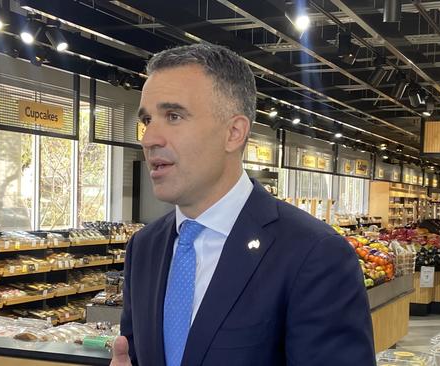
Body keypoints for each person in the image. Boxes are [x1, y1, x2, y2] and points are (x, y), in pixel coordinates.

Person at [111, 43, 375, 366]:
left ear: (234, 133)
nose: (149, 138)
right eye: (147, 119)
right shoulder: (144, 248)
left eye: (174, 116)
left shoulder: (314, 255)